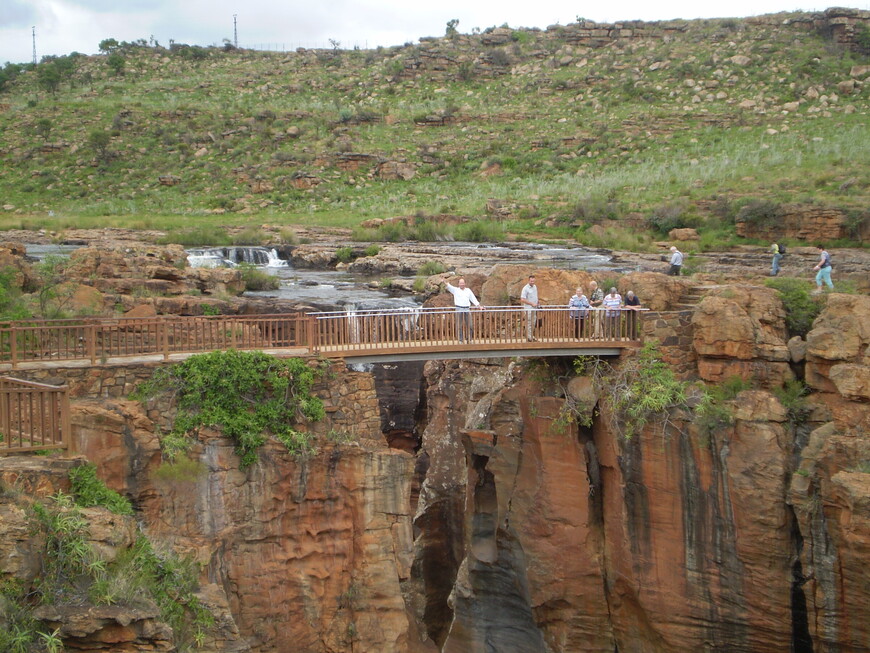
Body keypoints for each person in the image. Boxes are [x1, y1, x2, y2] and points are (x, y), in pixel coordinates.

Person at [520, 275, 539, 341]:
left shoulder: (535, 287)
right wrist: (531, 303)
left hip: (534, 308)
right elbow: (522, 299)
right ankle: (529, 337)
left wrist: (537, 303)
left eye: (533, 281)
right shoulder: (525, 288)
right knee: (529, 322)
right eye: (531, 281)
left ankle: (531, 335)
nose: (532, 282)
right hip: (528, 309)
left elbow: (535, 296)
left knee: (533, 322)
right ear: (528, 281)